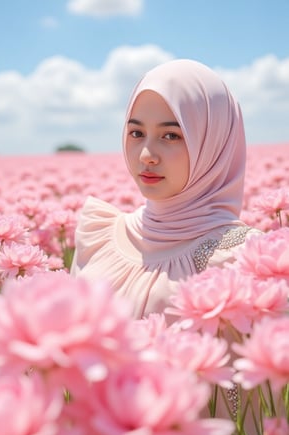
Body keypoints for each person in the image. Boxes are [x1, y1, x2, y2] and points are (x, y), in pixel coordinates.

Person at [71, 58, 256, 320]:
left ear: (214, 144)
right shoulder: (98, 235)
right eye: (136, 133)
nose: (146, 155)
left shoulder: (244, 257)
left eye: (171, 135)